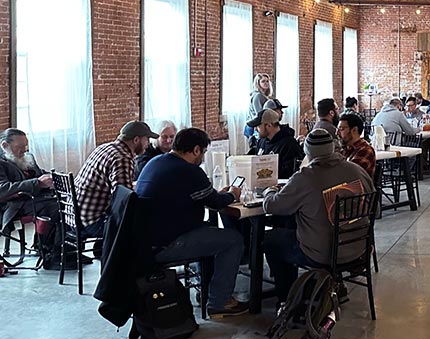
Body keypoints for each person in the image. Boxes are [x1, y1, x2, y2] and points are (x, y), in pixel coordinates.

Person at [135, 127, 246, 318]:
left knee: (208, 232)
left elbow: (201, 197)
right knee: (233, 240)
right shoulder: (189, 171)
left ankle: (204, 292)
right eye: (203, 152)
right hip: (166, 244)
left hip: (144, 242)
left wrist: (216, 195)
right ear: (196, 150)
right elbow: (216, 203)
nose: (202, 156)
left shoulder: (156, 162)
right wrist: (232, 194)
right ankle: (219, 302)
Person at [263, 129, 374, 302]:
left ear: (307, 152)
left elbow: (272, 206)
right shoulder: (357, 170)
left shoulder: (305, 178)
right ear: (332, 148)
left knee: (271, 240)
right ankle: (333, 283)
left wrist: (269, 190)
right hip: (359, 247)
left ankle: (288, 298)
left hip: (322, 253)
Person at [77, 121, 157, 237]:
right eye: (147, 139)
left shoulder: (104, 148)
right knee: (143, 223)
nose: (148, 144)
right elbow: (124, 201)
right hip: (92, 222)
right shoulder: (123, 157)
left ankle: (102, 249)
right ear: (136, 140)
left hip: (75, 217)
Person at [0, 128, 64, 269]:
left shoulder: (27, 157)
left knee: (65, 202)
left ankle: (62, 250)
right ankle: (52, 255)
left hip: (33, 199)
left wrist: (55, 178)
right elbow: (3, 189)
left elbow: (39, 174)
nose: (24, 150)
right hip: (14, 205)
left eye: (25, 145)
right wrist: (37, 183)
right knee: (58, 208)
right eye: (20, 147)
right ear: (5, 145)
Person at [247, 109, 304, 180]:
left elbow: (290, 175)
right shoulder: (261, 141)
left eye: (258, 126)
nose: (255, 129)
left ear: (269, 126)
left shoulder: (289, 145)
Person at [246, 73, 274, 145]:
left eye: (267, 81)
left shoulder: (262, 95)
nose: (266, 83)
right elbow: (259, 114)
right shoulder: (258, 96)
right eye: (263, 81)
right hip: (255, 127)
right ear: (258, 83)